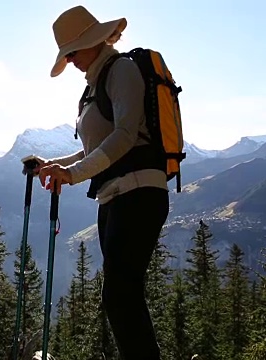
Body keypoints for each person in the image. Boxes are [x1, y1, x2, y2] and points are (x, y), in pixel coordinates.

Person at [25, 5, 170, 360]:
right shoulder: (94, 85)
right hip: (115, 197)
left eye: (73, 52)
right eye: (67, 54)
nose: (71, 60)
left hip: (138, 191)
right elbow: (93, 149)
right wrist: (53, 165)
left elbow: (123, 136)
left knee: (120, 293)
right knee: (121, 293)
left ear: (93, 41)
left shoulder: (121, 70)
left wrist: (71, 176)